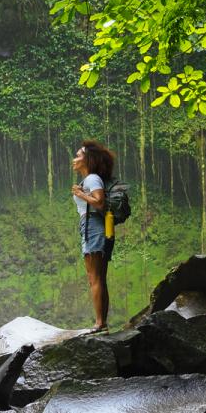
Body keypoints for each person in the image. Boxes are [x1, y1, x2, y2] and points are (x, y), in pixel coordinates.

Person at [71, 141, 115, 331]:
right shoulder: (90, 180)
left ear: (88, 160)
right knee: (98, 278)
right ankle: (101, 323)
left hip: (94, 227)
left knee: (94, 278)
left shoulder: (91, 179)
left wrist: (81, 195)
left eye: (78, 155)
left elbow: (99, 203)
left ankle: (99, 323)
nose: (74, 159)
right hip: (93, 226)